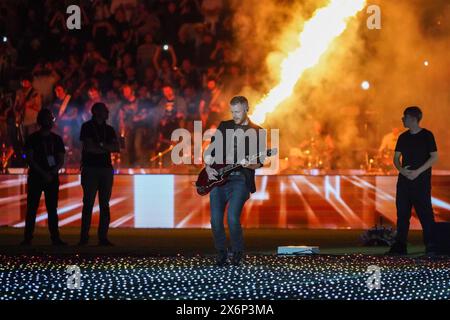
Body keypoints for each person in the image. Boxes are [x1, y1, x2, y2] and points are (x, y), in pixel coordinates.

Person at [204, 96, 266, 266]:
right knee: (215, 220)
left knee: (232, 217)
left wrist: (249, 163)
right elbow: (210, 152)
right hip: (219, 180)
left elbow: (259, 162)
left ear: (247, 108)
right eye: (232, 112)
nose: (235, 115)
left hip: (240, 180)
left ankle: (237, 252)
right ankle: (222, 253)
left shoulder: (258, 131)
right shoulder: (224, 126)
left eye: (238, 111)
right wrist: (208, 167)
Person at [386, 106, 438, 256]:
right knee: (402, 214)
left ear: (413, 119)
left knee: (425, 214)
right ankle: (400, 245)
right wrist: (402, 170)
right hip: (404, 182)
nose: (402, 119)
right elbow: (396, 158)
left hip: (421, 182)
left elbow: (434, 157)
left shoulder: (427, 135)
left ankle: (431, 245)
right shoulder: (403, 137)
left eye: (405, 117)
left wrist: (417, 172)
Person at [21, 109, 67, 246]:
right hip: (40, 177)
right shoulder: (33, 138)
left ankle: (53, 238)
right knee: (33, 209)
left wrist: (50, 173)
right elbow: (30, 159)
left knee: (51, 209)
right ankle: (29, 238)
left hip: (45, 177)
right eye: (47, 119)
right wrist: (48, 173)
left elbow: (60, 160)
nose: (49, 121)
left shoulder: (55, 139)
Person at [79, 102, 120, 246]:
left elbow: (117, 148)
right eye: (105, 110)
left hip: (104, 169)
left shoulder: (109, 129)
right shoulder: (87, 127)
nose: (108, 112)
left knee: (104, 204)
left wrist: (101, 146)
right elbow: (89, 148)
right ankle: (84, 237)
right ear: (97, 112)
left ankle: (102, 237)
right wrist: (106, 147)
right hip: (91, 168)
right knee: (88, 204)